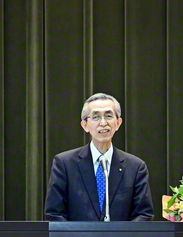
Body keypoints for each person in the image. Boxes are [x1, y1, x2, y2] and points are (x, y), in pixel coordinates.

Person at [44, 93, 154, 221]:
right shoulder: (65, 164)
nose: (103, 123)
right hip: (77, 235)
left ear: (118, 123)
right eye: (96, 117)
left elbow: (143, 215)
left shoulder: (135, 167)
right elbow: (54, 214)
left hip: (121, 235)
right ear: (85, 125)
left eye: (108, 116)